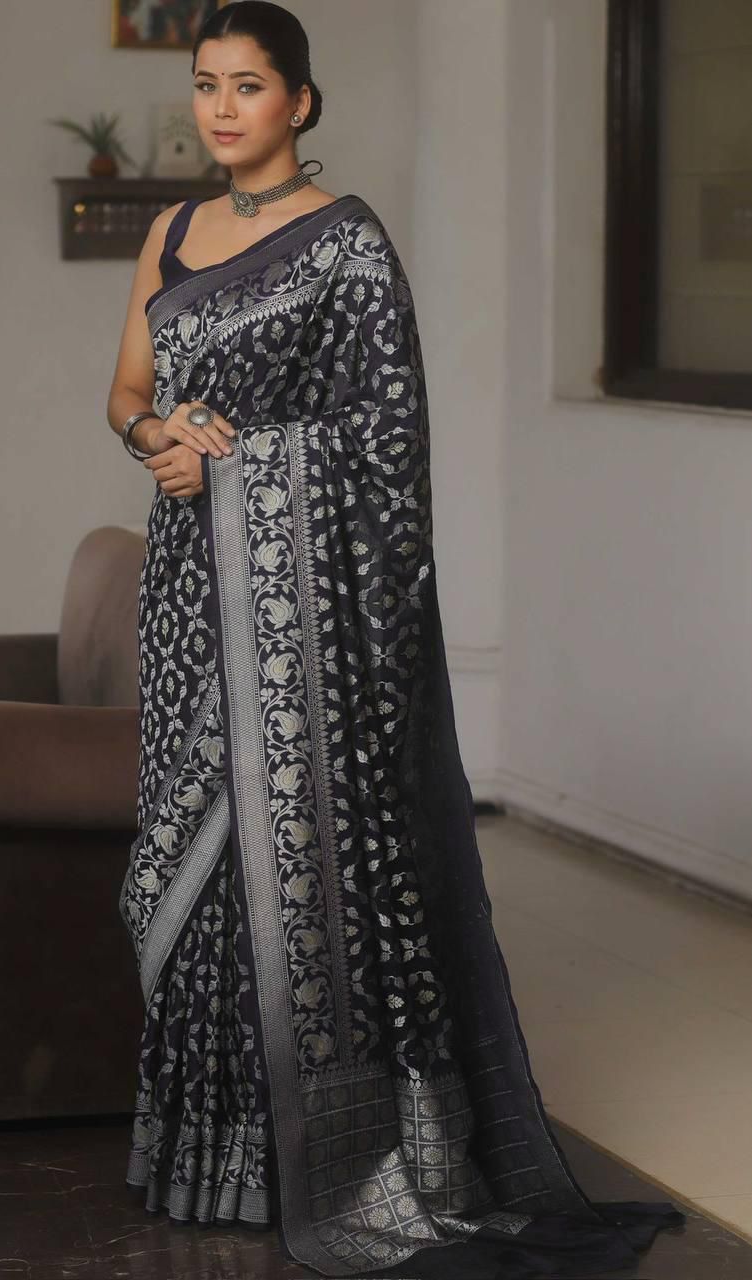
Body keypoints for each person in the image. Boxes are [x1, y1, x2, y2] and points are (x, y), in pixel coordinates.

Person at [106, 3, 686, 1275]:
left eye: (247, 85)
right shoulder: (171, 232)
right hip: (188, 598)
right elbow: (127, 392)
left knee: (302, 864)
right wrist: (159, 439)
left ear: (299, 102)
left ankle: (339, 1160)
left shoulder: (348, 245)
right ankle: (209, 1153)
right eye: (205, 84)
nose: (220, 108)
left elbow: (383, 444)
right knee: (187, 879)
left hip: (305, 627)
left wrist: (241, 462)